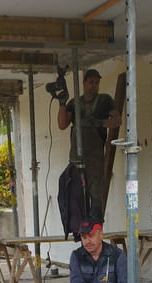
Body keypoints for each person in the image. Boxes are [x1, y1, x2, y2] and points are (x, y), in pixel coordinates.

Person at [57, 68, 121, 219]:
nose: (94, 85)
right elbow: (62, 124)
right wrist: (62, 103)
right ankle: (80, 227)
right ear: (84, 83)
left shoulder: (105, 100)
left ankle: (96, 224)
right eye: (91, 82)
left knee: (95, 191)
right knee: (76, 192)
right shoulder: (74, 103)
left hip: (95, 156)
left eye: (97, 83)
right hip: (76, 157)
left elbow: (117, 121)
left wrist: (101, 123)